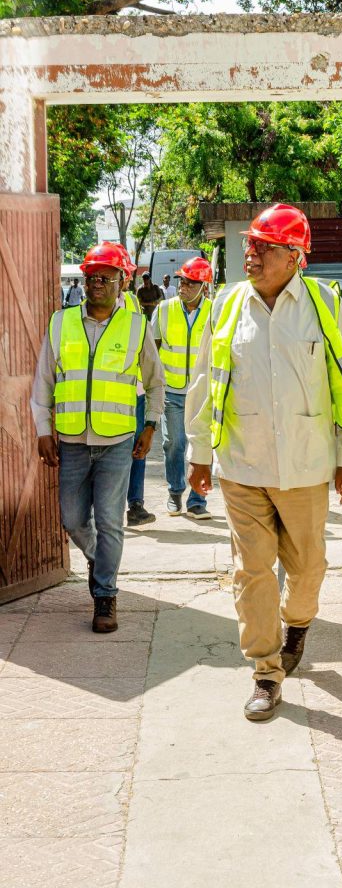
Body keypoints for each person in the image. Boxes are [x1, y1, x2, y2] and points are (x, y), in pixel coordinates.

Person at [185, 203, 342, 721]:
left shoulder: (323, 303)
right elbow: (204, 381)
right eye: (250, 245)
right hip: (241, 465)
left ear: (294, 256)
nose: (251, 254)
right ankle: (265, 672)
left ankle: (298, 623)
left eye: (264, 247)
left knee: (307, 569)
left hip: (306, 465)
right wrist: (199, 454)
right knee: (252, 571)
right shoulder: (226, 305)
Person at [31, 242, 165, 633]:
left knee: (110, 522)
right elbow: (43, 382)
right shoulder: (61, 323)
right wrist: (43, 430)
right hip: (72, 441)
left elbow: (156, 383)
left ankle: (105, 595)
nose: (97, 283)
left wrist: (151, 425)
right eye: (92, 276)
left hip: (117, 441)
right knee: (72, 520)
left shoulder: (136, 326)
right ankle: (98, 559)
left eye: (106, 277)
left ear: (123, 282)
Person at [152, 256, 214, 519]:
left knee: (201, 444)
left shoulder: (215, 311)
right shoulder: (164, 310)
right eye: (182, 281)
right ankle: (175, 493)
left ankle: (198, 500)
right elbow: (152, 349)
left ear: (204, 287)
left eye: (190, 283)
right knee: (173, 444)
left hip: (203, 394)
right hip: (173, 390)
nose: (183, 286)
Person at [114, 245, 155, 528]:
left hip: (134, 391)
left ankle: (135, 504)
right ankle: (109, 509)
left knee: (138, 447)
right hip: (103, 394)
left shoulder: (132, 303)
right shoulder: (88, 308)